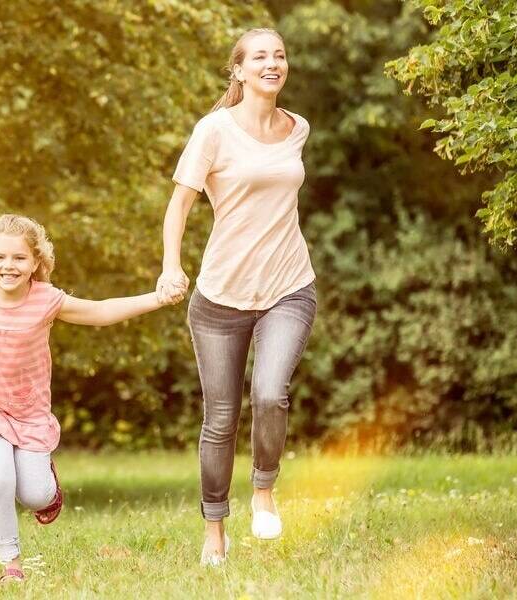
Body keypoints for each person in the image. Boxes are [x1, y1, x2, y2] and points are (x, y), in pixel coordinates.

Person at [0, 214, 177, 582]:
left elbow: (100, 311)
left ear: (36, 263)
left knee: (34, 496)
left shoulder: (47, 300)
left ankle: (48, 488)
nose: (8, 266)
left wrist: (157, 298)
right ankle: (11, 565)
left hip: (29, 413)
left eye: (19, 258)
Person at [157, 28, 318, 566]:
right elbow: (179, 204)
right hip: (221, 296)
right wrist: (170, 267)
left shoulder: (298, 129)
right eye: (260, 57)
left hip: (288, 286)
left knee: (271, 393)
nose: (272, 64)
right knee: (220, 417)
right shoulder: (214, 131)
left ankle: (265, 489)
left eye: (279, 54)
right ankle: (214, 532)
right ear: (239, 71)